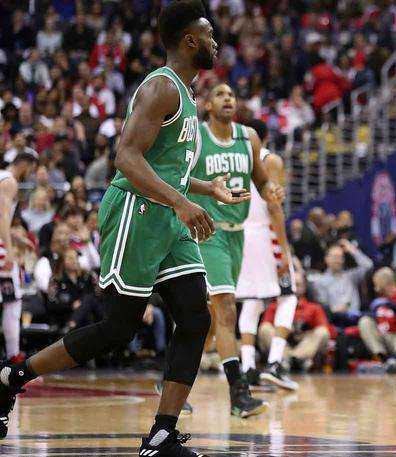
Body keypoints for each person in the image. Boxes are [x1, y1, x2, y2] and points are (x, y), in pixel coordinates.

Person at [0, 3, 244, 456]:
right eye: (209, 36)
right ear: (189, 40)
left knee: (195, 317)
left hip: (167, 217)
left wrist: (205, 188)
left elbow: (165, 167)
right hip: (137, 211)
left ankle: (162, 434)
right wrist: (181, 202)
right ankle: (14, 376)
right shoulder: (161, 87)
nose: (216, 43)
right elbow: (127, 159)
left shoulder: (187, 94)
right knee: (118, 328)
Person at [188, 83, 284, 417]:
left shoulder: (248, 138)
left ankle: (171, 376)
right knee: (226, 309)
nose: (227, 98)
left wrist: (271, 190)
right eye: (220, 94)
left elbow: (261, 180)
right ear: (207, 105)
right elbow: (179, 179)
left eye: (231, 94)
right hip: (207, 231)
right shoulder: (198, 138)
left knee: (207, 315)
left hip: (237, 234)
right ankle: (238, 393)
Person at [235, 119, 300, 391]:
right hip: (265, 233)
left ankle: (248, 368)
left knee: (252, 302)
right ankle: (274, 363)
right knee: (288, 296)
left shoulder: (234, 160)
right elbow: (273, 207)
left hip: (240, 235)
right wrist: (284, 250)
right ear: (266, 137)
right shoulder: (269, 160)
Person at [0, 154, 37, 363]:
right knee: (13, 302)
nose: (30, 174)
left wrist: (17, 239)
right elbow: (2, 217)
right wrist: (9, 249)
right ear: (24, 164)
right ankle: (14, 356)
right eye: (31, 169)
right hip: (1, 248)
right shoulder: (10, 181)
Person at [258, 270, 330, 372]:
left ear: (305, 287)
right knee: (265, 328)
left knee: (322, 332)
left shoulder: (314, 307)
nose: (295, 288)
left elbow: (324, 329)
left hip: (305, 343)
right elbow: (265, 329)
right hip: (283, 341)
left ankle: (295, 358)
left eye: (298, 284)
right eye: (293, 284)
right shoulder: (274, 306)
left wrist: (306, 332)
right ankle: (287, 359)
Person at [358, 267, 396, 372]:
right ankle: (381, 357)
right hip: (383, 337)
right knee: (365, 321)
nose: (376, 287)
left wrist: (393, 306)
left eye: (377, 283)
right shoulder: (378, 299)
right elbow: (373, 319)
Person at [307, 239, 373, 328]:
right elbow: (323, 306)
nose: (338, 260)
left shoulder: (351, 276)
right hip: (335, 321)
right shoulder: (319, 280)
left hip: (356, 319)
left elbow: (368, 266)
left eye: (340, 257)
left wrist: (352, 250)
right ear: (326, 259)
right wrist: (334, 310)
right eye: (335, 257)